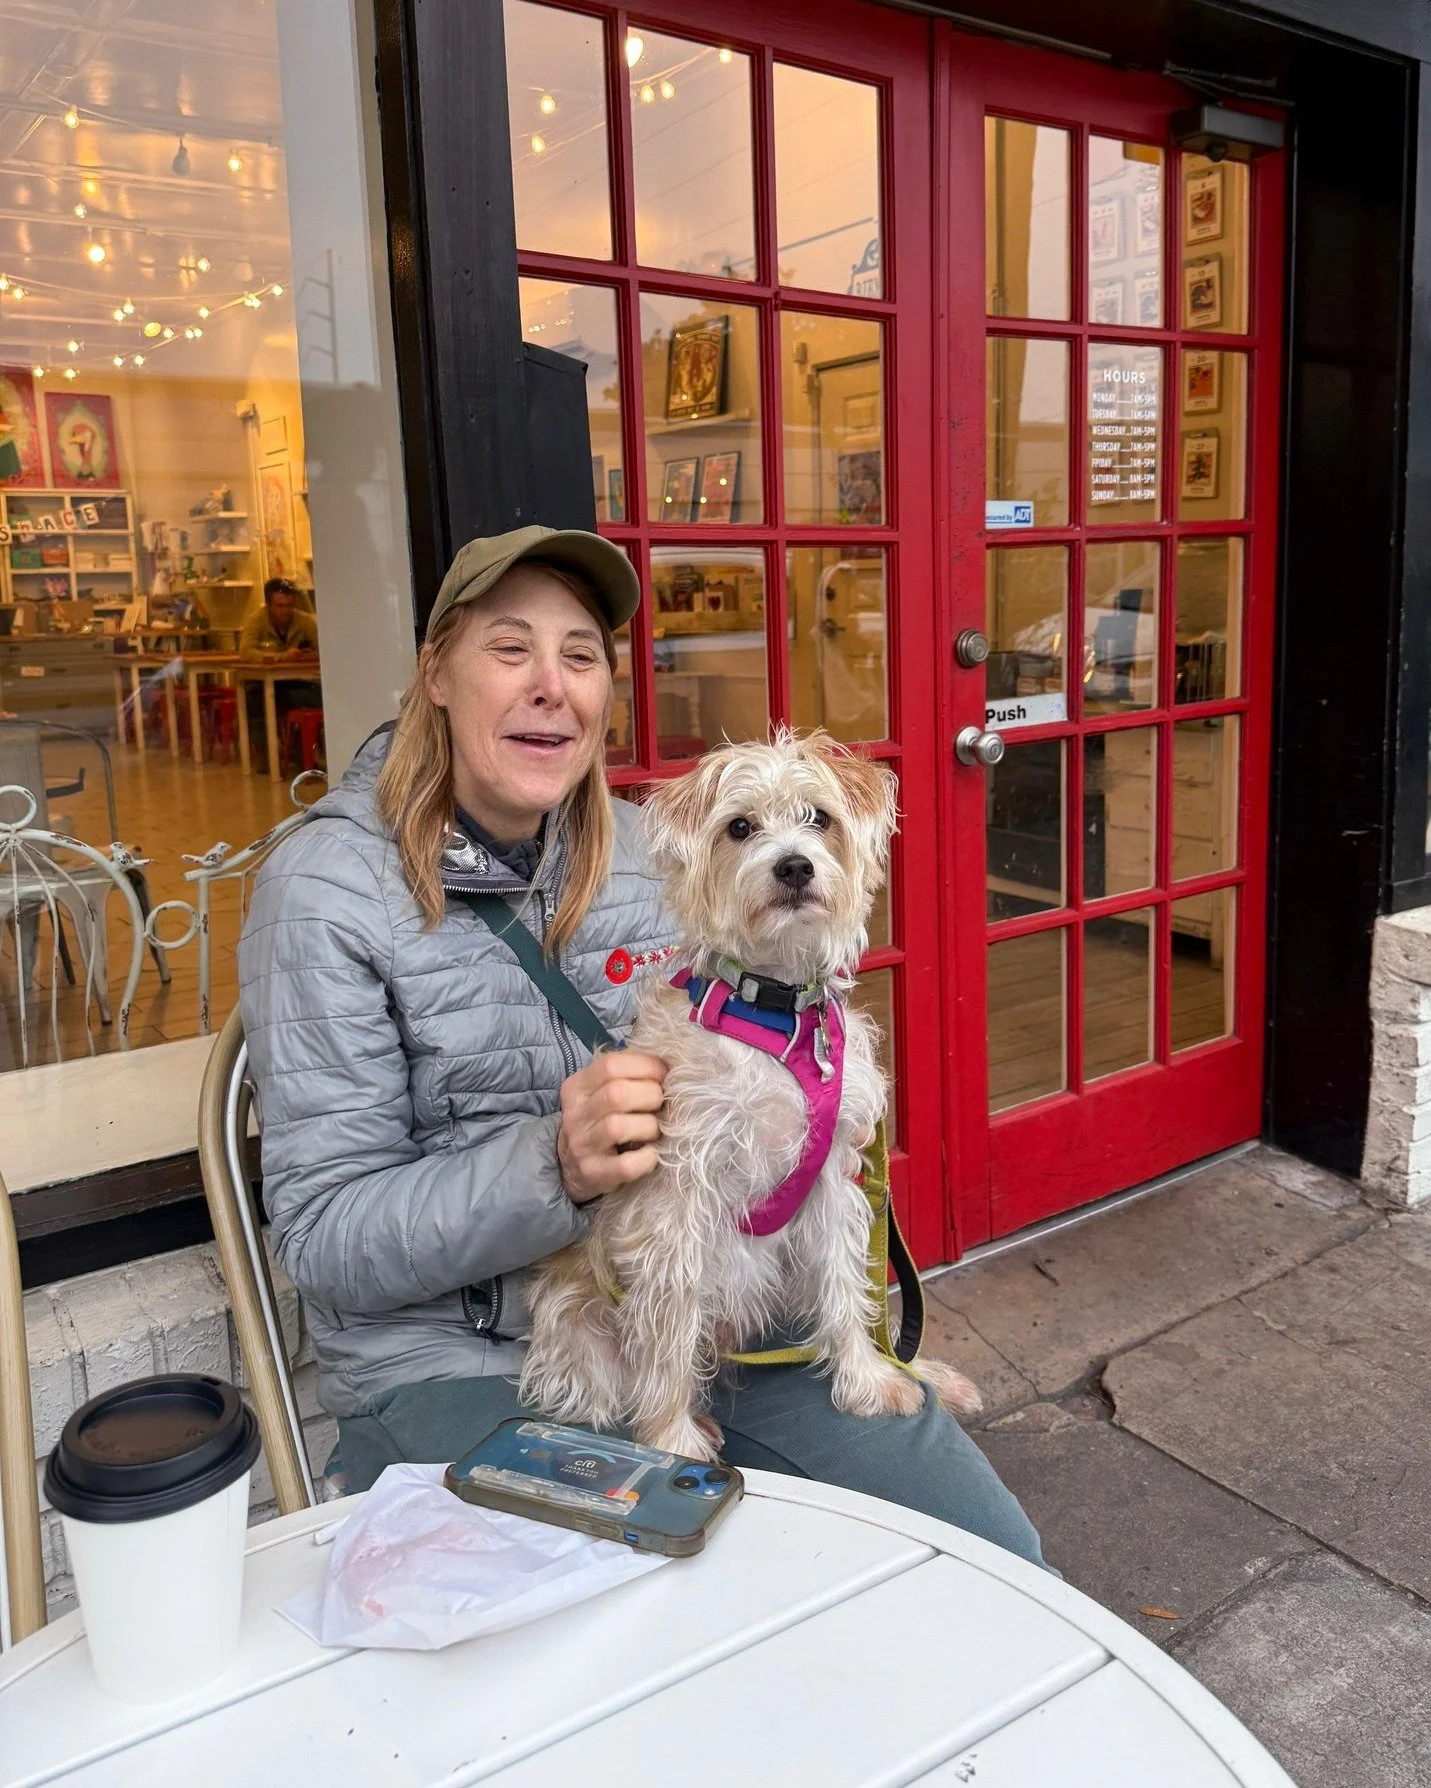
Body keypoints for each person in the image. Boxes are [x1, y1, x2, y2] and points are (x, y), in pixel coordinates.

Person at [236, 525, 1049, 1570]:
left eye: (581, 656)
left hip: (722, 1314)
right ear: (435, 672)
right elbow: (321, 1240)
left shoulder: (651, 852)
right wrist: (553, 1165)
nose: (551, 686)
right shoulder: (324, 894)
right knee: (633, 1623)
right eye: (509, 648)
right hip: (459, 1355)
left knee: (985, 1552)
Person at [239, 576, 319, 658]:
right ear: (268, 605)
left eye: (290, 605)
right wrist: (282, 656)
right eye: (280, 605)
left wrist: (311, 655)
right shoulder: (255, 621)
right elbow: (246, 652)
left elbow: (325, 649)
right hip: (268, 671)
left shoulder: (305, 621)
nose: (286, 610)